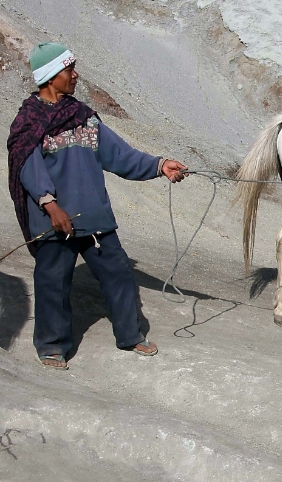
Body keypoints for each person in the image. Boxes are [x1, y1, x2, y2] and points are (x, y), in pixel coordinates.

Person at [7, 42, 188, 369]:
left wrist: (160, 166)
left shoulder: (83, 118)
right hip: (54, 220)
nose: (75, 76)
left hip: (93, 218)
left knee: (119, 275)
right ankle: (51, 346)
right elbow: (27, 168)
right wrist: (51, 206)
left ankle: (130, 335)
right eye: (68, 70)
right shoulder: (28, 122)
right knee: (52, 283)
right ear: (50, 77)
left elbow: (120, 155)